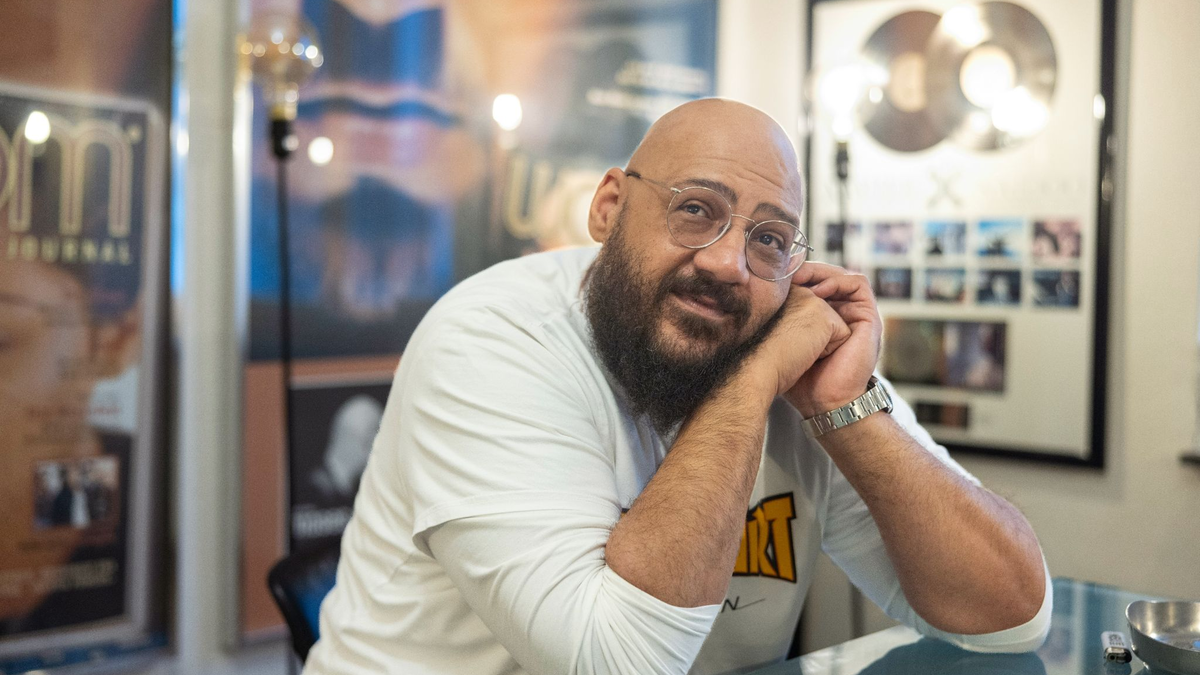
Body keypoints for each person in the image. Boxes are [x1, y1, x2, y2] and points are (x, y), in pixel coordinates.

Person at [303, 99, 1051, 675]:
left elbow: (1011, 618)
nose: (730, 263)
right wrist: (754, 379)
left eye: (768, 238)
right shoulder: (493, 338)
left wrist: (844, 407)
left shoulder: (798, 354)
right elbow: (616, 659)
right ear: (608, 209)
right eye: (697, 209)